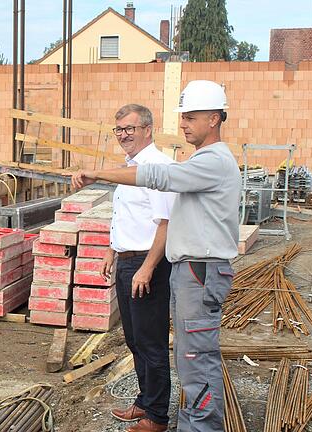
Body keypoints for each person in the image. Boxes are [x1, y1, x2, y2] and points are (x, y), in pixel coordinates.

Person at [72, 80, 240, 432]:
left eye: (191, 117)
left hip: (201, 270)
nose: (183, 124)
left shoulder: (212, 162)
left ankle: (197, 426)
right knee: (187, 356)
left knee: (196, 358)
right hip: (192, 270)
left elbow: (160, 177)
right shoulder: (203, 160)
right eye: (183, 117)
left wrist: (96, 173)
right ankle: (186, 420)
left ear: (214, 118)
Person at [105, 104, 176, 432]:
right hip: (128, 260)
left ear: (148, 129)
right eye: (119, 130)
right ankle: (145, 401)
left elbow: (165, 223)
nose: (123, 135)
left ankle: (157, 417)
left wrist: (147, 268)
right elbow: (125, 215)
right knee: (134, 338)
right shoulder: (131, 167)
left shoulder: (159, 167)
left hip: (148, 263)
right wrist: (112, 251)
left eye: (129, 129)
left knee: (151, 341)